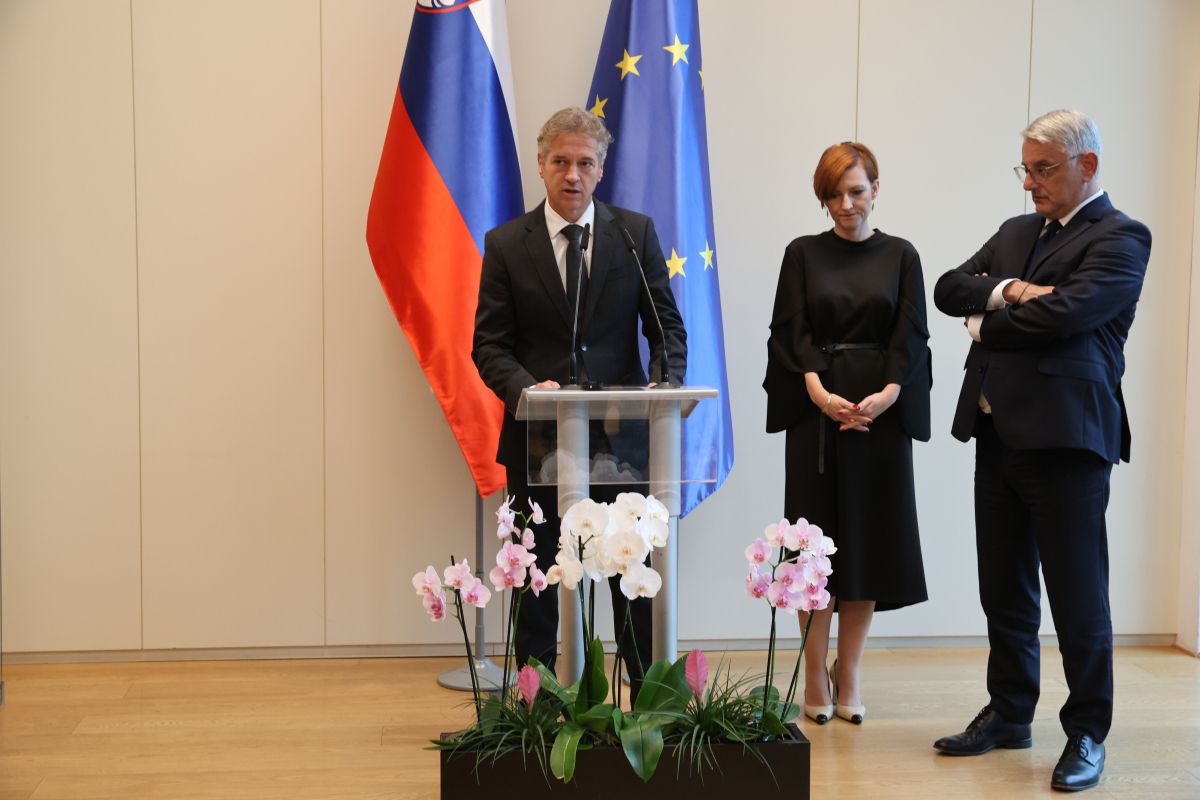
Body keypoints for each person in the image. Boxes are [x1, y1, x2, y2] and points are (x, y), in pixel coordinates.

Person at [931, 109, 1151, 792]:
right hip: (997, 435)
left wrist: (985, 322)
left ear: (1088, 165)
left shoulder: (1121, 237)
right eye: (1024, 169)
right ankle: (1009, 712)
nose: (1030, 183)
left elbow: (1068, 315)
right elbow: (948, 288)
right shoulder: (1015, 232)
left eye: (1043, 169)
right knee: (1003, 588)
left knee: (1078, 597)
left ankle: (1087, 731)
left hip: (1068, 442)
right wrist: (1008, 291)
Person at [472, 107, 687, 691]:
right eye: (561, 162)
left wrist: (664, 383)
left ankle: (648, 701)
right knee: (540, 580)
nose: (573, 174)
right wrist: (526, 387)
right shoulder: (506, 244)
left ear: (601, 169)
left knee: (631, 578)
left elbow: (666, 329)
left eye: (585, 163)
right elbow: (488, 344)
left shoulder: (634, 235)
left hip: (623, 439)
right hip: (538, 440)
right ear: (541, 165)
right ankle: (539, 705)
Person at [764, 142, 930, 726]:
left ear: (875, 189)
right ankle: (814, 671)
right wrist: (818, 393)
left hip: (879, 416)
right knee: (812, 553)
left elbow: (912, 334)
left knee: (868, 547)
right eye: (833, 194)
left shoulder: (902, 254)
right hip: (818, 416)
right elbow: (790, 330)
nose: (844, 204)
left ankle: (850, 670)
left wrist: (888, 395)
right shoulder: (802, 253)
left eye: (856, 191)